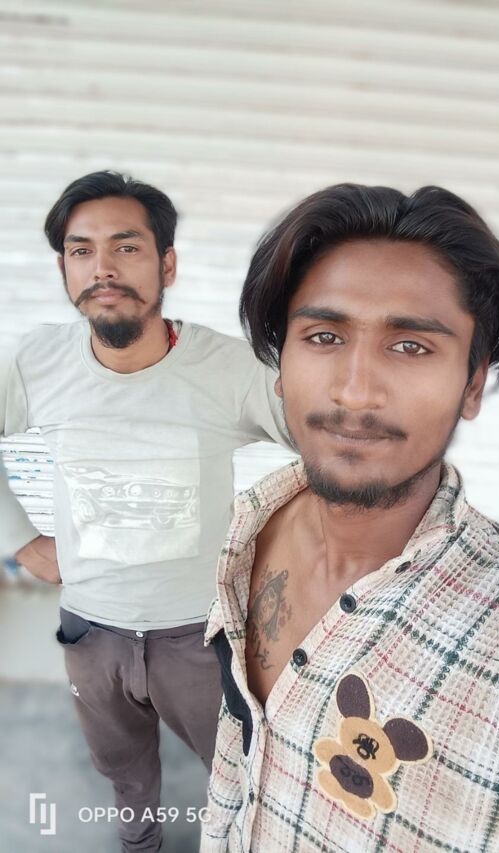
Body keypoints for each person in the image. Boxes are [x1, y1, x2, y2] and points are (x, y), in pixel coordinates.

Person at [200, 184, 499, 852]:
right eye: (323, 336)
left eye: (410, 346)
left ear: (472, 384)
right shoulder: (253, 523)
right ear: (281, 367)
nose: (355, 391)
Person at [0, 171, 289, 853]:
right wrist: (17, 539)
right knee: (124, 770)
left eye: (126, 247)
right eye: (81, 250)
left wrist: (286, 554)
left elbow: (332, 450)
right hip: (91, 633)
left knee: (243, 773)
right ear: (65, 269)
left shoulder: (228, 369)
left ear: (167, 265)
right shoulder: (38, 361)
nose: (102, 267)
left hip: (198, 636)